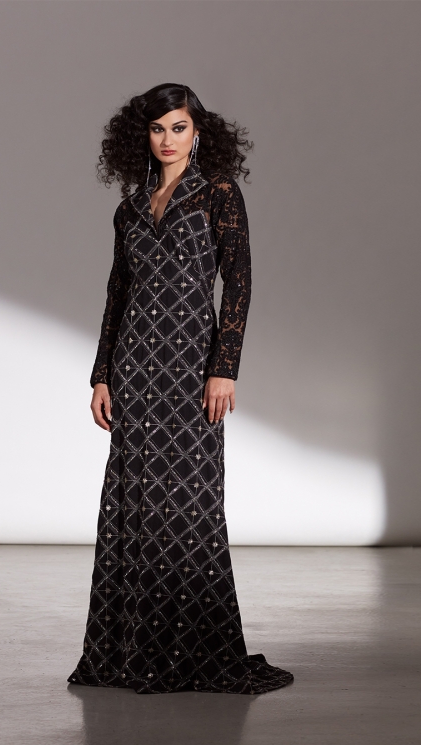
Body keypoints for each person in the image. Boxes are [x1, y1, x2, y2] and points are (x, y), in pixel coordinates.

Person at [67, 83, 293, 694]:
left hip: (193, 365)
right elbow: (117, 295)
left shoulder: (218, 193)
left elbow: (238, 280)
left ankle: (190, 650)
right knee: (134, 503)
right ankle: (129, 651)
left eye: (178, 127)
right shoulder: (130, 207)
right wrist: (101, 375)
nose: (167, 139)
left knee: (190, 503)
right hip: (135, 368)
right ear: (141, 136)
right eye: (157, 128)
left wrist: (226, 365)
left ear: (198, 133)